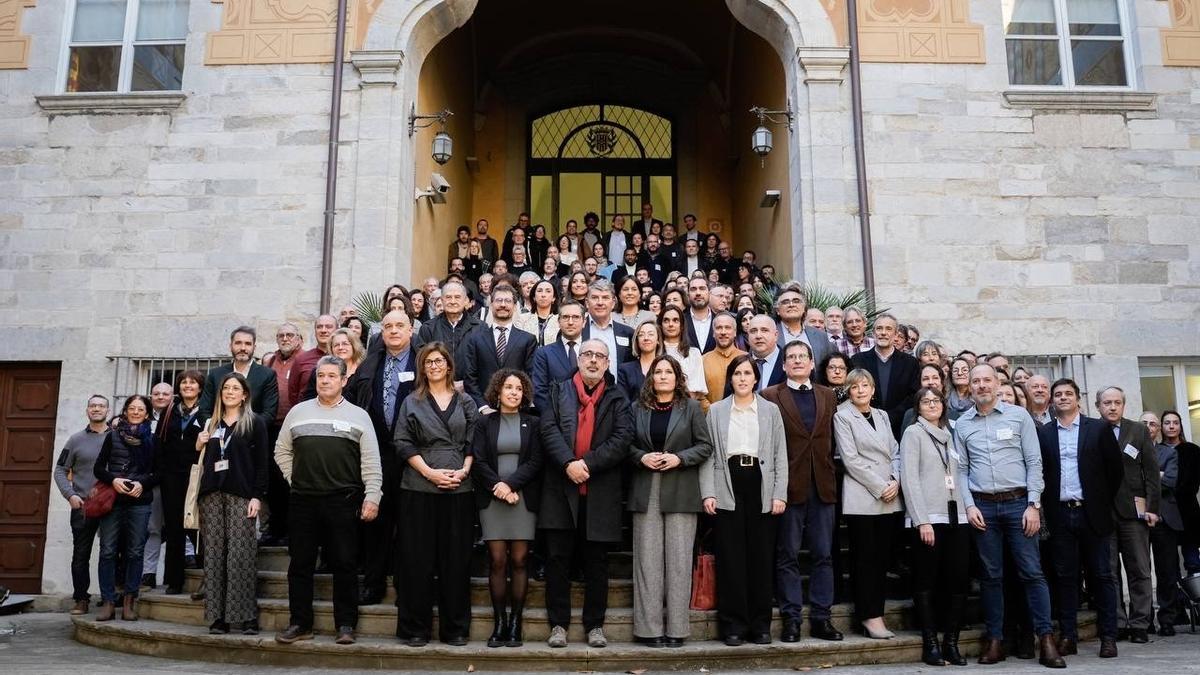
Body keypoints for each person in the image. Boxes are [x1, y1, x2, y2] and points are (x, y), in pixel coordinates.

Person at [954, 364, 1064, 668]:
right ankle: (995, 641)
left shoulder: (1019, 417)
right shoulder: (963, 424)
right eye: (975, 381)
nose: (981, 386)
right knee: (991, 577)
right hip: (983, 508)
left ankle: (1045, 639)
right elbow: (961, 470)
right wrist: (969, 505)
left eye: (986, 380)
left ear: (996, 383)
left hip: (1019, 505)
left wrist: (1033, 505)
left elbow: (1034, 462)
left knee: (1032, 573)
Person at [274, 355, 382, 646]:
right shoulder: (298, 412)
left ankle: (345, 624)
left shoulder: (359, 416)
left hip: (343, 501)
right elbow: (281, 451)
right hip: (303, 501)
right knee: (300, 564)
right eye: (321, 376)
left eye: (332, 376)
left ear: (344, 380)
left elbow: (371, 461)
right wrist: (294, 479)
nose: (325, 381)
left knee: (345, 563)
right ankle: (300, 623)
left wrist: (372, 496)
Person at [538, 339, 634, 649]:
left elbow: (622, 440)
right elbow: (548, 429)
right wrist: (568, 462)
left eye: (599, 356)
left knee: (597, 562)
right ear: (579, 359)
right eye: (588, 354)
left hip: (600, 489)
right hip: (560, 487)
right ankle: (558, 625)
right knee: (557, 559)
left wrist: (586, 465)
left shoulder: (618, 397)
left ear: (608, 364)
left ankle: (595, 626)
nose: (593, 360)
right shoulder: (558, 390)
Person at [393, 343, 479, 647]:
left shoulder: (465, 400)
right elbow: (402, 442)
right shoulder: (411, 401)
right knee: (417, 560)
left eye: (439, 360)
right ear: (422, 367)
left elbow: (474, 440)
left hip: (459, 487)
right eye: (428, 361)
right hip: (418, 488)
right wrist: (429, 472)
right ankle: (416, 628)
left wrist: (464, 470)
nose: (434, 365)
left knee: (455, 561)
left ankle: (455, 628)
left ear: (448, 365)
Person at [700, 355, 787, 645]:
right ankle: (733, 625)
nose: (742, 378)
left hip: (761, 484)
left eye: (747, 373)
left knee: (761, 557)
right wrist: (708, 492)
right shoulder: (716, 411)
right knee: (731, 558)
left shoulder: (771, 411)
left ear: (755, 378)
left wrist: (779, 494)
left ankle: (760, 624)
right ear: (731, 378)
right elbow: (708, 455)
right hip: (728, 483)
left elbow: (779, 456)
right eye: (737, 373)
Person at [627, 355, 712, 648]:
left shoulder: (690, 408)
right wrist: (640, 456)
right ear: (651, 378)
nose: (663, 376)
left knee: (678, 562)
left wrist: (679, 458)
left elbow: (705, 446)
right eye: (658, 371)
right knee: (647, 562)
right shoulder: (636, 408)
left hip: (681, 489)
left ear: (678, 377)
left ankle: (677, 628)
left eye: (668, 371)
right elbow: (624, 444)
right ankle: (649, 630)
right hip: (645, 488)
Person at [761, 340, 843, 643]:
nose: (796, 361)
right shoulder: (770, 396)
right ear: (783, 365)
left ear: (811, 364)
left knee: (823, 555)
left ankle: (822, 618)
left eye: (801, 357)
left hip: (822, 486)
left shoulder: (827, 396)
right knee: (788, 556)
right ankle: (791, 619)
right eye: (790, 357)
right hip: (787, 488)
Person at [1037, 378, 1122, 659]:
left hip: (1092, 513)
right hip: (1060, 514)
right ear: (1052, 401)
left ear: (1078, 399)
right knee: (1065, 578)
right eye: (1057, 394)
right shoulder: (1045, 433)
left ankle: (1108, 636)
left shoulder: (1097, 429)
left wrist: (1100, 500)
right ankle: (1069, 637)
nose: (1062, 398)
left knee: (1102, 576)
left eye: (1068, 394)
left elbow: (1115, 471)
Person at [344, 309, 418, 605]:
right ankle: (373, 584)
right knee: (376, 521)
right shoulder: (370, 362)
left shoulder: (423, 361)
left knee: (411, 525)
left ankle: (405, 586)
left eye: (400, 325)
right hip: (377, 452)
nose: (394, 331)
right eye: (388, 326)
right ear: (381, 333)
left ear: (411, 330)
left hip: (414, 454)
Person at [900, 387, 971, 666]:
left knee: (958, 581)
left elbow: (959, 474)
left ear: (943, 405)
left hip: (957, 517)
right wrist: (922, 520)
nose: (932, 404)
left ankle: (951, 643)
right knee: (926, 581)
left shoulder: (950, 435)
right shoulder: (913, 434)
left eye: (936, 400)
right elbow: (910, 479)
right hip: (929, 519)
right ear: (918, 407)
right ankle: (931, 644)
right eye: (925, 401)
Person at [194, 372, 269, 635]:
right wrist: (198, 443)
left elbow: (262, 464)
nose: (229, 392)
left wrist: (257, 497)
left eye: (235, 388)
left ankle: (246, 616)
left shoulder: (255, 423)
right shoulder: (210, 424)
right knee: (214, 557)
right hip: (212, 496)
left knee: (241, 556)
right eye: (226, 388)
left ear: (245, 394)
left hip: (242, 496)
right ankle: (218, 617)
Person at [473, 370, 543, 648]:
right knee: (498, 561)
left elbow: (537, 460)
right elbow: (478, 460)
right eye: (508, 387)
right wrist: (498, 487)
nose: (513, 392)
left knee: (520, 561)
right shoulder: (484, 423)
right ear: (498, 392)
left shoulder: (533, 423)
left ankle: (515, 623)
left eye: (518, 388)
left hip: (523, 499)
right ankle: (499, 622)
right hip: (493, 500)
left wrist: (511, 485)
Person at [833, 369, 902, 639]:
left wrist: (896, 479)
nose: (860, 390)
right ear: (848, 390)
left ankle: (879, 612)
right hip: (864, 496)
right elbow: (850, 460)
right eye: (855, 386)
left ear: (873, 390)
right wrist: (880, 486)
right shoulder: (842, 416)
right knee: (865, 561)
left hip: (890, 494)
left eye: (865, 385)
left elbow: (895, 451)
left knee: (882, 560)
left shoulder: (883, 415)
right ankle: (869, 616)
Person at [1095, 386, 1160, 643]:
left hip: (1134, 512)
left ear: (1123, 405)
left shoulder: (1138, 430)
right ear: (1098, 406)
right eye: (1107, 403)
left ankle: (1140, 623)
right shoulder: (1091, 430)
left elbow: (1152, 472)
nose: (1112, 407)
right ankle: (1118, 622)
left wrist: (1153, 508)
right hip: (1102, 512)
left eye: (1117, 402)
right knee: (1108, 572)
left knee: (1139, 569)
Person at [93, 394, 158, 622]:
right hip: (114, 501)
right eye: (132, 408)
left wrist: (143, 483)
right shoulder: (112, 436)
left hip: (139, 502)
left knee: (135, 551)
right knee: (108, 551)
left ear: (147, 413)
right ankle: (109, 601)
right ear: (126, 410)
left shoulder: (154, 438)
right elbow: (98, 468)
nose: (136, 412)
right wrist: (113, 480)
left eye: (141, 409)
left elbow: (159, 473)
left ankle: (130, 600)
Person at [54, 394, 111, 615]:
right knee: (81, 555)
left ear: (108, 410)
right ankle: (81, 599)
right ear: (87, 410)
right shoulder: (75, 440)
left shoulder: (115, 437)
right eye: (93, 406)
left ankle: (110, 598)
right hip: (82, 506)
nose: (97, 409)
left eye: (101, 406)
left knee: (111, 553)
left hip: (110, 505)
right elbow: (60, 470)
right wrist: (70, 495)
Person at [154, 371, 204, 594]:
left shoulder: (207, 411)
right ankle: (174, 581)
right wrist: (161, 473)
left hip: (197, 476)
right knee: (174, 528)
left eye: (192, 382)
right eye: (184, 382)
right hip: (171, 477)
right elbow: (158, 444)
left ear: (200, 388)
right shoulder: (168, 412)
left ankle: (206, 577)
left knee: (198, 528)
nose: (188, 385)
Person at [1152, 410, 1200, 633]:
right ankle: (1175, 613)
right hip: (1165, 515)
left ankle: (1198, 610)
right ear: (1161, 427)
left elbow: (1188, 483)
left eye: (1175, 423)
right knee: (1169, 567)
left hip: (1188, 513)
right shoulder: (1155, 450)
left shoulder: (1191, 451)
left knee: (1193, 563)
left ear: (1181, 426)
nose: (1171, 426)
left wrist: (1165, 479)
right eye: (1167, 423)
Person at [460, 286, 538, 411]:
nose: (503, 305)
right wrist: (483, 407)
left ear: (515, 305)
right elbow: (470, 378)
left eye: (507, 301)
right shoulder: (475, 339)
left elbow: (531, 376)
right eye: (498, 300)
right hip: (485, 411)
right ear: (491, 305)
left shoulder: (528, 340)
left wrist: (520, 404)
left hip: (517, 410)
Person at [851, 314, 920, 440]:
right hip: (866, 427)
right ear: (873, 333)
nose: (883, 333)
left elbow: (913, 395)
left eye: (888, 329)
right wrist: (874, 415)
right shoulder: (857, 361)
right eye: (879, 328)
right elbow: (854, 392)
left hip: (901, 428)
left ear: (895, 334)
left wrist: (891, 416)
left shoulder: (910, 363)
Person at [199, 326, 280, 423]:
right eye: (238, 343)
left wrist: (243, 430)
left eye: (248, 344)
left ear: (254, 347)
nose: (243, 348)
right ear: (230, 346)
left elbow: (269, 414)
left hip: (252, 435)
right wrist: (218, 430)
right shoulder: (215, 374)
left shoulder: (267, 375)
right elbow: (204, 410)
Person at [530, 300, 586, 412]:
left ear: (584, 322)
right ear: (558, 321)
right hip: (555, 419)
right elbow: (539, 391)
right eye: (565, 317)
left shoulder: (593, 351)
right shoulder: (544, 353)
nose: (570, 322)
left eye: (575, 317)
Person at [413, 281, 484, 362]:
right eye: (448, 297)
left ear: (465, 301)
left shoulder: (479, 327)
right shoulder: (428, 328)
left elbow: (484, 362)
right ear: (442, 300)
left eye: (457, 297)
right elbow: (422, 361)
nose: (453, 301)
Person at [582, 278, 635, 372]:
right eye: (594, 297)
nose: (600, 303)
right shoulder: (577, 331)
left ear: (613, 303)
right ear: (587, 303)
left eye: (605, 298)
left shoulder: (628, 333)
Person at [773, 285, 831, 366]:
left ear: (804, 308)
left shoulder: (820, 336)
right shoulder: (770, 335)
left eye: (796, 301)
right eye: (785, 302)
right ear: (777, 310)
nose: (791, 304)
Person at [659, 305, 707, 401]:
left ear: (681, 325)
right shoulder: (654, 350)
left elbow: (695, 390)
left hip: (685, 407)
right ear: (660, 324)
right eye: (666, 320)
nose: (670, 324)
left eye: (675, 320)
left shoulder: (693, 353)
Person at [290, 316, 337, 405]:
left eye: (328, 327)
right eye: (319, 327)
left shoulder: (342, 359)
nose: (323, 330)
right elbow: (293, 394)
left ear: (337, 330)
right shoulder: (301, 359)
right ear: (315, 331)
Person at [702, 312, 746, 405]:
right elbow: (699, 395)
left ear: (735, 332)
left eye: (727, 327)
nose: (723, 332)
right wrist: (714, 413)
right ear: (713, 333)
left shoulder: (746, 359)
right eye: (718, 328)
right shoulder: (702, 361)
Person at [618, 320, 662, 402]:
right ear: (637, 341)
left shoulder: (666, 367)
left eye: (651, 334)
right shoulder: (625, 369)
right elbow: (623, 402)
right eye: (641, 335)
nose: (646, 338)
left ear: (658, 340)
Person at [514, 279, 560, 347]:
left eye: (548, 291)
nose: (543, 295)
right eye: (539, 291)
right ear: (534, 297)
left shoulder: (560, 320)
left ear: (554, 298)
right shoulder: (522, 319)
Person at [746, 315, 785, 391]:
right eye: (753, 331)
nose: (758, 336)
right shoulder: (740, 364)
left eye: (764, 330)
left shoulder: (790, 362)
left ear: (776, 335)